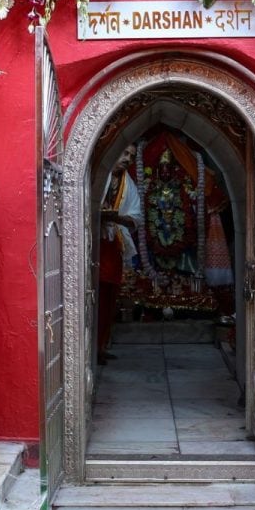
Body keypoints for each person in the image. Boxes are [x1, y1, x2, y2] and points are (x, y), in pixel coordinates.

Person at [97, 144, 141, 363]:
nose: (127, 159)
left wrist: (114, 217)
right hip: (95, 244)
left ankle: (100, 346)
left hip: (114, 245)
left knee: (109, 299)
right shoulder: (98, 175)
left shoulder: (128, 185)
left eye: (131, 156)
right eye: (124, 153)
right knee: (93, 298)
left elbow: (135, 218)